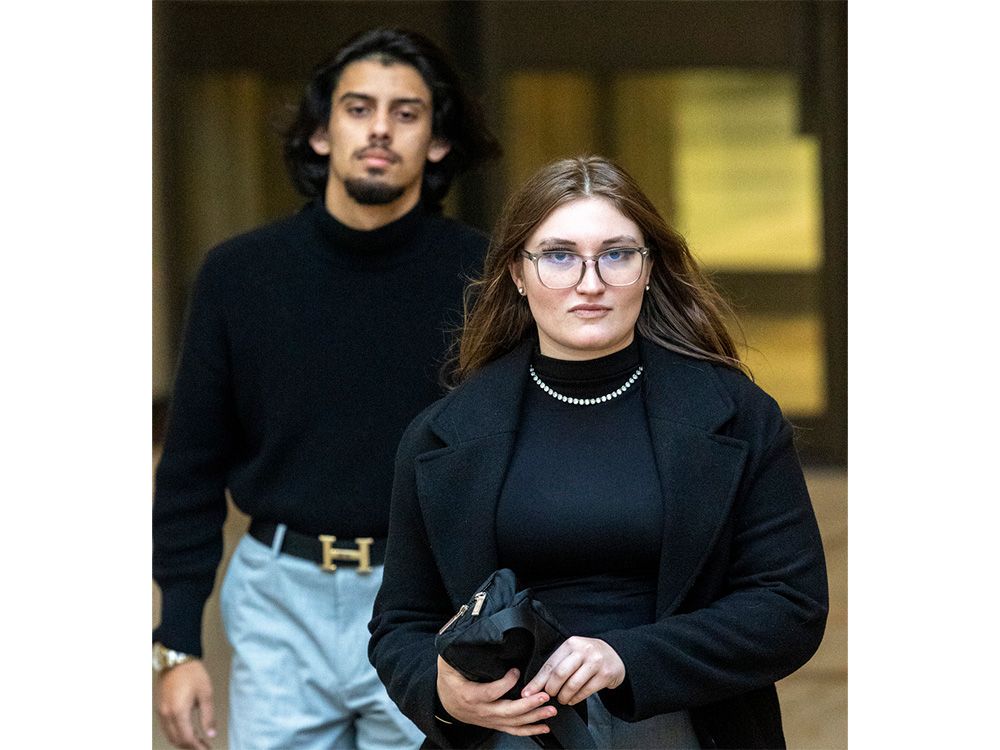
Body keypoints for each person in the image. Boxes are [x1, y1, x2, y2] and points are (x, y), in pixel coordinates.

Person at [368, 156, 828, 749]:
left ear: (649, 268)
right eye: (559, 256)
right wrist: (443, 694)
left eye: (616, 254)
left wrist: (625, 657)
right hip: (511, 734)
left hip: (684, 724)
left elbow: (790, 605)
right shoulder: (442, 433)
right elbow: (400, 623)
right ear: (517, 271)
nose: (590, 282)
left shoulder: (738, 415)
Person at [153, 27, 500, 750]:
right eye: (357, 108)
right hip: (279, 598)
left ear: (438, 143)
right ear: (320, 133)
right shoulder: (238, 276)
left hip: (425, 599)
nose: (380, 128)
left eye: (406, 113)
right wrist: (177, 645)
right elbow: (189, 471)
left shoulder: (485, 278)